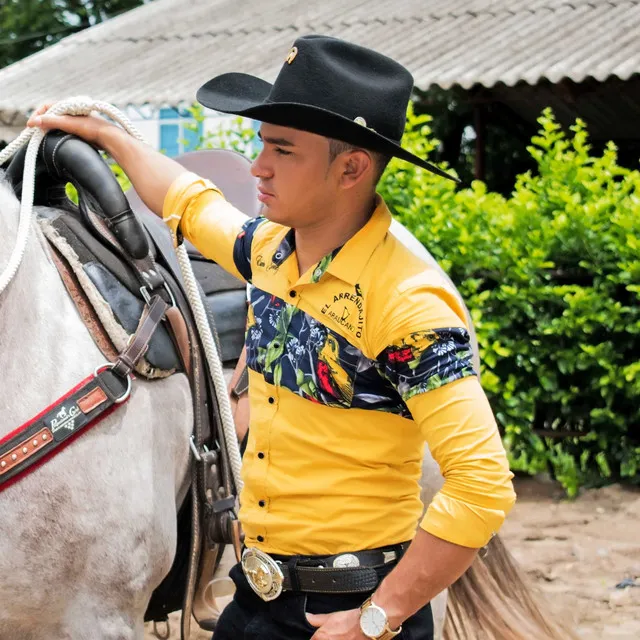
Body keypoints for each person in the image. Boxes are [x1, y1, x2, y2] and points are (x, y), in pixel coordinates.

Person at [29, 34, 516, 640]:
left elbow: (482, 484)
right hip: (258, 600)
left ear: (352, 167)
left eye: (283, 151)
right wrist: (110, 137)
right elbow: (188, 201)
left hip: (349, 611)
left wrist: (376, 619)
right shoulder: (270, 250)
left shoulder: (409, 305)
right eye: (262, 145)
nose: (257, 167)